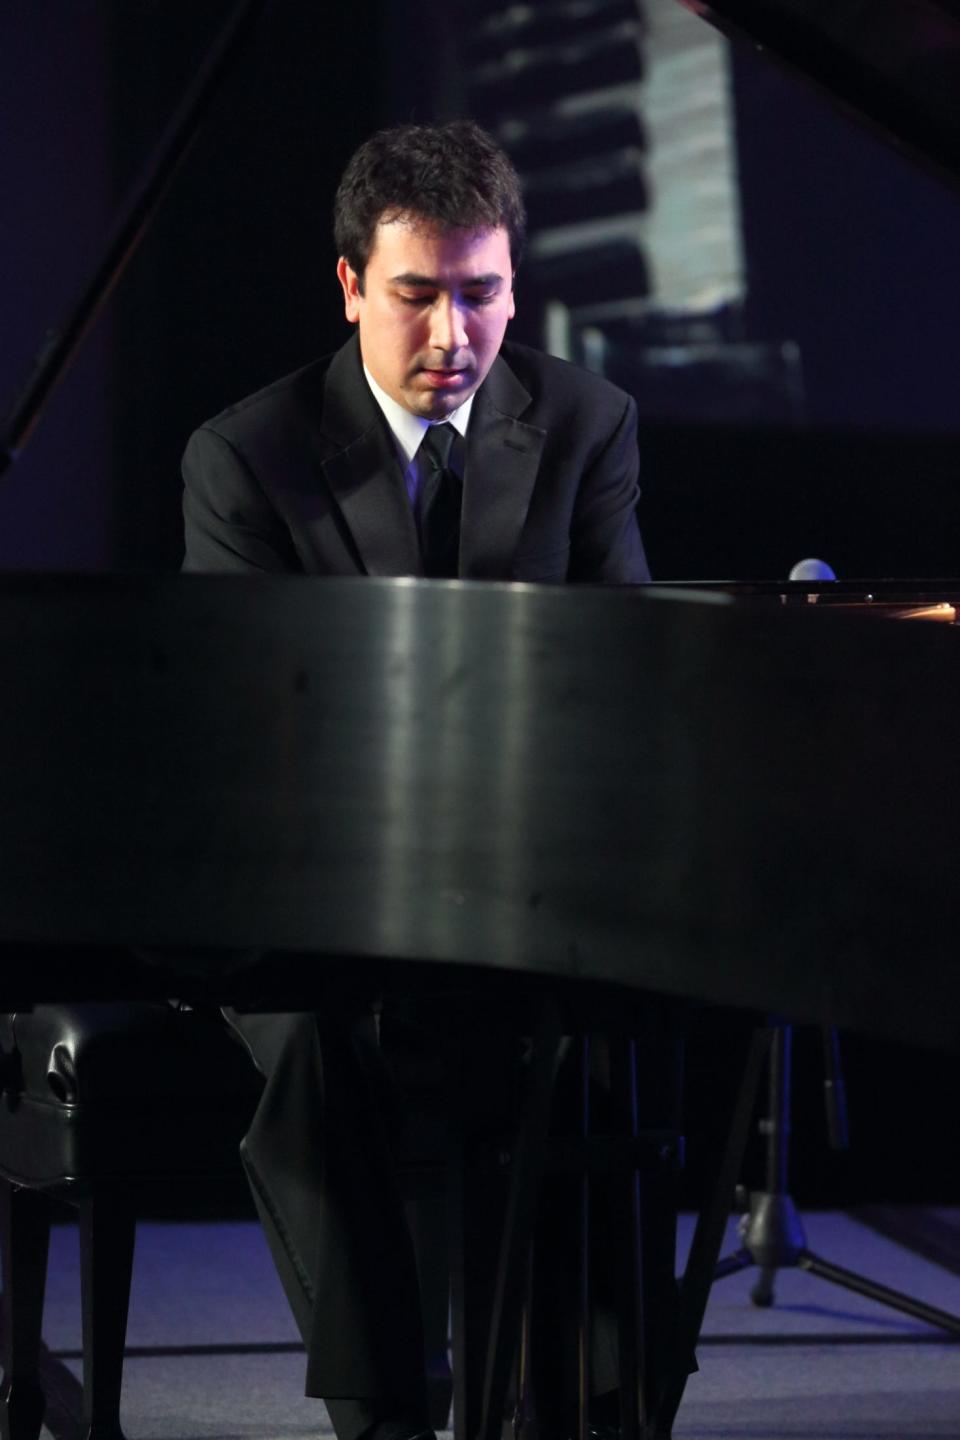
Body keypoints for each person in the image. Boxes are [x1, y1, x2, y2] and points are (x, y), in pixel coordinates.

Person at [181, 121, 651, 1440]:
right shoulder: (249, 454)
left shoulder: (585, 423)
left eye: (483, 293)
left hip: (525, 875)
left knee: (597, 1026)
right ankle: (387, 1410)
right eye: (417, 295)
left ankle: (577, 1404)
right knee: (328, 1027)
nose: (453, 333)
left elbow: (624, 680)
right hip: (318, 887)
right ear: (349, 288)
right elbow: (246, 731)